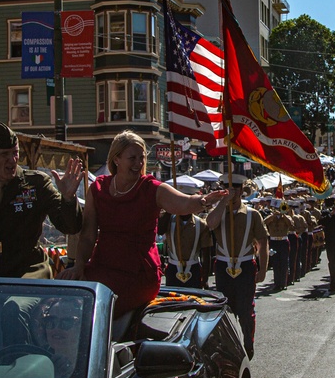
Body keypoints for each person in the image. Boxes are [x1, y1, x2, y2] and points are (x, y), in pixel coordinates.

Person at [68, 131, 225, 317]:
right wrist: (78, 266)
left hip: (137, 275)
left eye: (141, 158)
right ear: (116, 159)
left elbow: (183, 203)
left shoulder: (150, 188)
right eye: (132, 158)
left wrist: (203, 200)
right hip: (102, 267)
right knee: (65, 296)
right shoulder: (98, 188)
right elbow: (87, 235)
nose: (138, 164)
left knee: (98, 306)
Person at [0, 119, 83, 279]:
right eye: (4, 154)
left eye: (15, 153)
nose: (12, 160)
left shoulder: (36, 184)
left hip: (28, 271)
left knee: (14, 305)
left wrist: (68, 199)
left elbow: (69, 227)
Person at [206, 172, 268, 358]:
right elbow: (210, 224)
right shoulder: (218, 211)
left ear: (241, 191)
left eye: (234, 189)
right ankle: (227, 347)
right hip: (223, 266)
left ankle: (248, 342)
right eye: (227, 189)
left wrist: (263, 268)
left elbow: (263, 242)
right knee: (224, 308)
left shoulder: (252, 214)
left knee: (245, 309)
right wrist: (223, 202)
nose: (231, 192)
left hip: (245, 266)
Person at [159, 179, 214, 290]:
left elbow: (206, 253)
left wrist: (205, 277)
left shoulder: (201, 224)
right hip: (173, 268)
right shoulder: (169, 221)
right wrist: (172, 207)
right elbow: (160, 230)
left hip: (193, 269)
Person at [264, 199, 294, 292]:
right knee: (275, 263)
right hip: (274, 242)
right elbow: (264, 223)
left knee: (284, 263)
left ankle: (283, 283)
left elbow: (291, 224)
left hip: (283, 241)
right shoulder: (271, 217)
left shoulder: (286, 217)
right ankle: (277, 283)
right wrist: (273, 215)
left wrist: (283, 215)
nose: (278, 210)